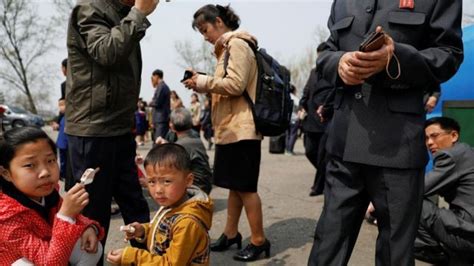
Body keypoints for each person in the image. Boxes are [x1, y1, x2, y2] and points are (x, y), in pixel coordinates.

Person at [308, 1, 464, 265]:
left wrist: (396, 57)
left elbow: (448, 53)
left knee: (396, 254)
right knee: (326, 247)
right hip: (343, 145)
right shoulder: (343, 2)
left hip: (398, 147)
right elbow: (327, 51)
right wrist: (339, 63)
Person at [65, 0, 156, 259]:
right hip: (92, 130)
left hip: (119, 128)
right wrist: (139, 13)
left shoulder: (122, 13)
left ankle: (147, 260)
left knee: (135, 204)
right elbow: (106, 51)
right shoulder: (90, 8)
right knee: (91, 216)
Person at [183, 4, 270, 262]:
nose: (204, 35)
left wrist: (203, 81)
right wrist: (204, 82)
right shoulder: (225, 50)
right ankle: (231, 233)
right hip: (231, 129)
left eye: (205, 29)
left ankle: (259, 240)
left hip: (242, 129)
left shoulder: (238, 45)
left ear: (219, 21)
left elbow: (235, 84)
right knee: (235, 186)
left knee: (246, 188)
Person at [0, 127, 104, 265]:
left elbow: (76, 217)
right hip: (17, 260)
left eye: (50, 161)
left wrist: (89, 227)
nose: (45, 172)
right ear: (6, 173)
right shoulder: (5, 216)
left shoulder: (49, 193)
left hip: (50, 250)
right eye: (30, 165)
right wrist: (65, 216)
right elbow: (51, 263)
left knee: (91, 248)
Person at [106, 143, 213, 265]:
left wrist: (132, 256)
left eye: (166, 181)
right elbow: (164, 232)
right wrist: (143, 230)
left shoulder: (187, 223)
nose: (158, 190)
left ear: (188, 180)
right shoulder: (174, 204)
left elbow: (170, 263)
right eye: (151, 182)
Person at [414, 117, 474, 265]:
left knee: (412, 202)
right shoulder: (467, 152)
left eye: (434, 136)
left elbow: (418, 189)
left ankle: (439, 253)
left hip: (468, 233)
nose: (429, 143)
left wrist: (375, 203)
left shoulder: (451, 156)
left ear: (454, 136)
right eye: (426, 138)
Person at [157, 107, 213, 194]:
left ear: (171, 126)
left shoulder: (179, 146)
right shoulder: (196, 139)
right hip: (205, 186)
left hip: (194, 189)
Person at [149, 69, 171, 143]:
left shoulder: (161, 87)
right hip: (160, 119)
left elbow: (157, 102)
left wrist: (150, 103)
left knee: (159, 142)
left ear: (156, 76)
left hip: (161, 119)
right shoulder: (162, 87)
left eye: (153, 77)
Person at [285, 85, 300, 156]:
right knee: (293, 134)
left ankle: (286, 149)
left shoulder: (285, 96)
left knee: (287, 134)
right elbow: (300, 106)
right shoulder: (295, 98)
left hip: (286, 119)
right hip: (294, 118)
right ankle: (290, 150)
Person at [56, 98, 68, 180]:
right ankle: (62, 174)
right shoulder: (62, 117)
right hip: (61, 143)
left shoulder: (70, 117)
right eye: (59, 105)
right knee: (62, 161)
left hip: (68, 143)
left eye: (62, 105)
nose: (60, 107)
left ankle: (65, 174)